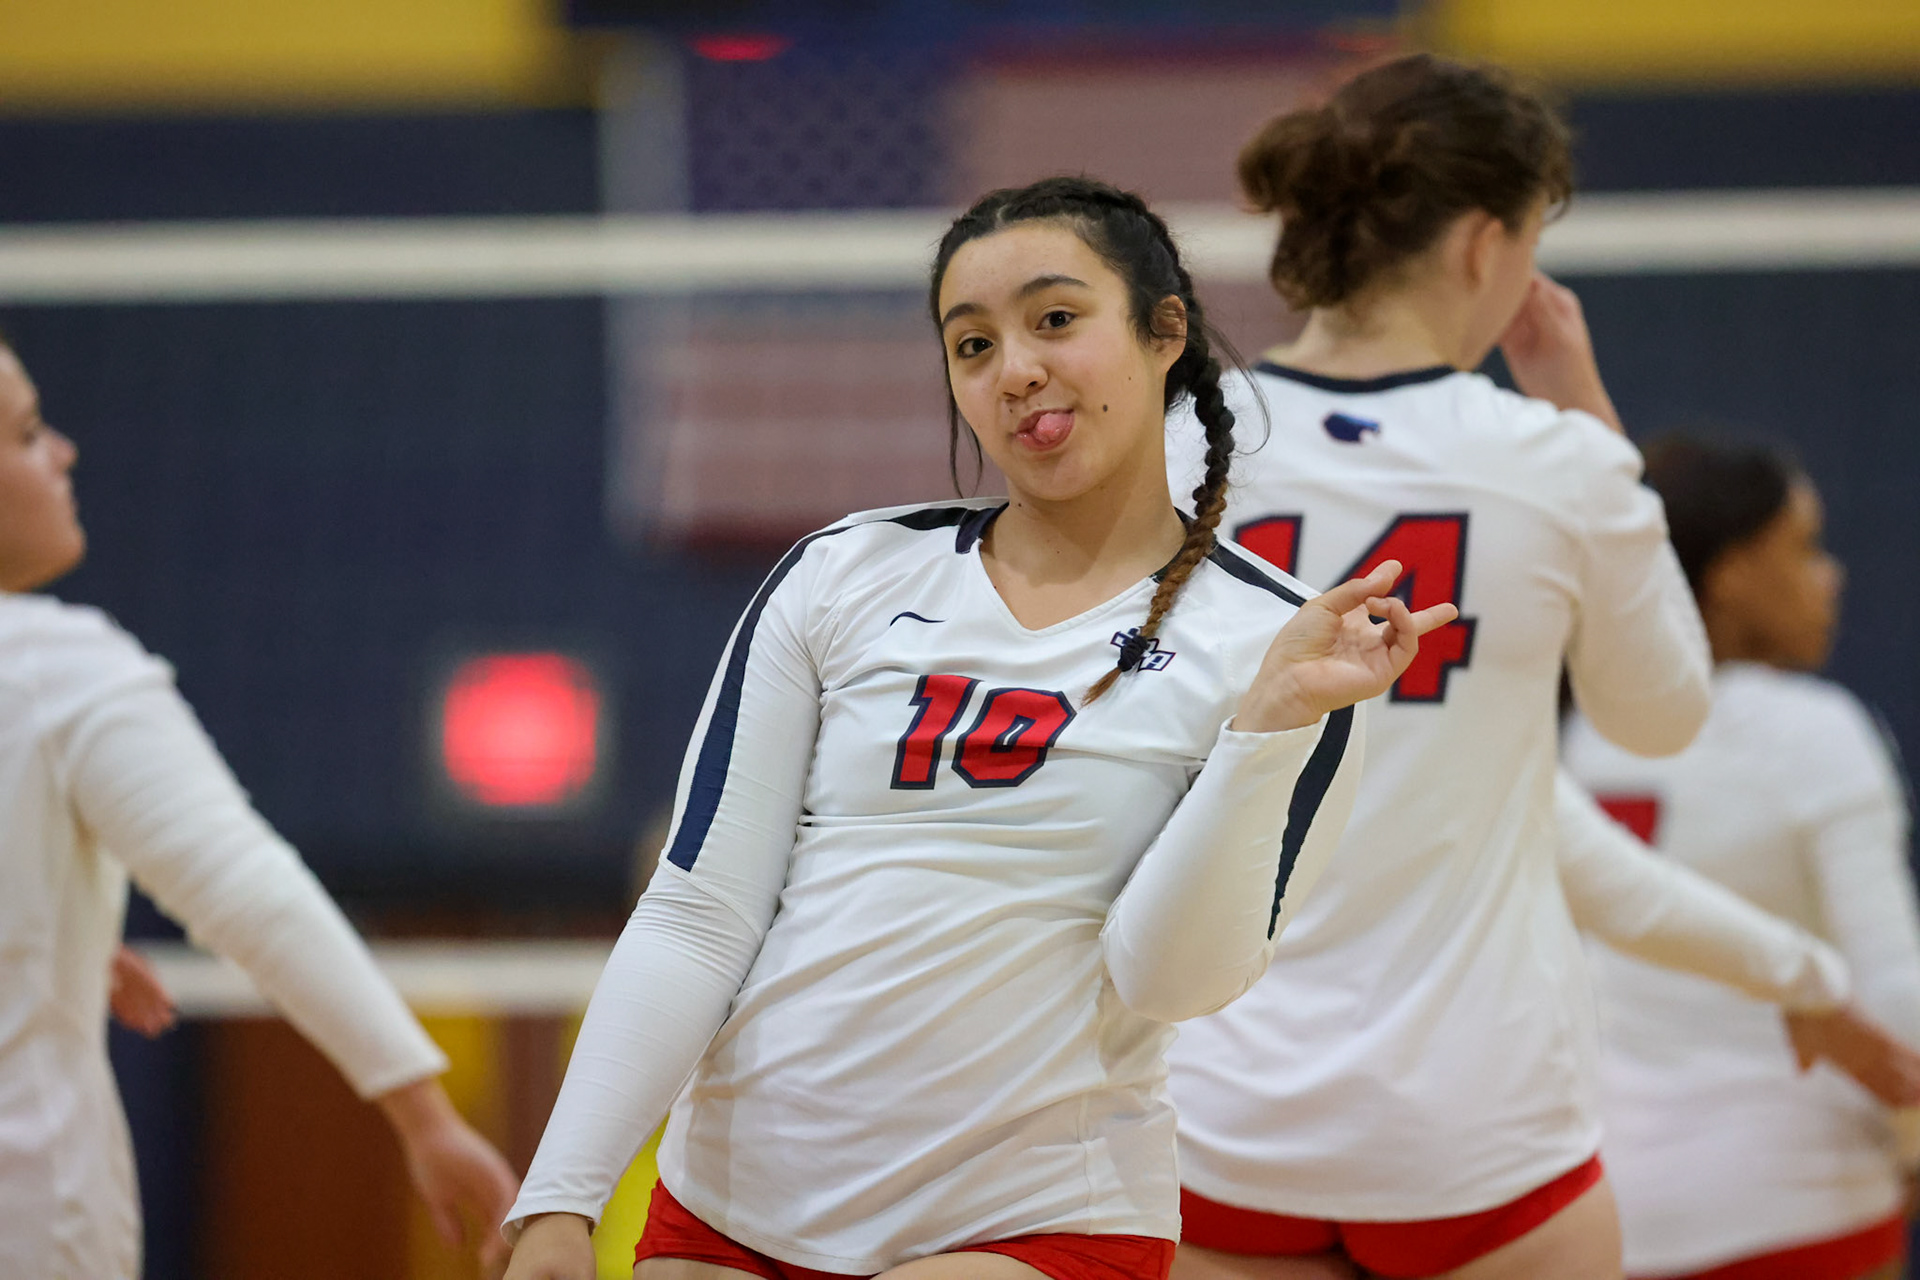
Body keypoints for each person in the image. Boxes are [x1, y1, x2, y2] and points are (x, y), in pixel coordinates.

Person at [500, 177, 1455, 1280]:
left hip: (1037, 1223)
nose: (1016, 370)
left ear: (1163, 333)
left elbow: (1169, 980)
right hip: (734, 1209)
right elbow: (700, 912)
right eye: (972, 344)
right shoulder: (843, 572)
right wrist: (561, 1198)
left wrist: (1265, 731)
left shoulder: (1280, 646)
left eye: (1056, 320)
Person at [1160, 54, 1710, 1280]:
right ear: (1481, 244)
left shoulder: (1174, 443)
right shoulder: (1558, 462)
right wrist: (1582, 404)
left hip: (1220, 1113)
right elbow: (1662, 713)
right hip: (1472, 1128)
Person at [0, 339, 520, 1280]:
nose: (63, 453)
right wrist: (425, 1117)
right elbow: (248, 892)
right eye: (28, 434)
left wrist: (51, 934)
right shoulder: (54, 668)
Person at [1564, 438, 1920, 1280]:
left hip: (1619, 1207)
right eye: (1802, 547)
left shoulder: (1590, 732)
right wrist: (1911, 1141)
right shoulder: (1813, 729)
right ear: (1728, 573)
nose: (1828, 576)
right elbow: (1895, 988)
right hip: (1802, 1202)